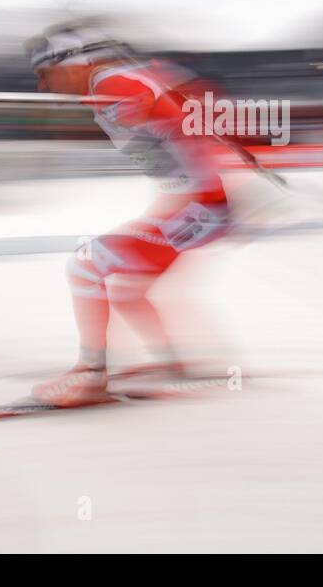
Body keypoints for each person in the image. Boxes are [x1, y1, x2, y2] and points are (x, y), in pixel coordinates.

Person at [25, 22, 233, 406]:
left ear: (70, 64)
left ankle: (91, 375)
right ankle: (174, 365)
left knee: (86, 266)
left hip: (201, 209)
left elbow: (151, 102)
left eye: (44, 74)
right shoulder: (104, 86)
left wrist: (156, 98)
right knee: (126, 291)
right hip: (193, 205)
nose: (43, 87)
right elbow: (173, 110)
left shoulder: (111, 84)